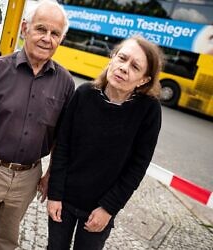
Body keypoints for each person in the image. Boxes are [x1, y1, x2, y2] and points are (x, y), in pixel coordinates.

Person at [0, 1, 75, 249]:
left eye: (55, 34)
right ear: (24, 29)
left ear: (61, 40)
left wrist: (50, 174)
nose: (47, 38)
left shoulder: (65, 83)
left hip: (28, 177)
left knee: (7, 243)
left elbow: (62, 136)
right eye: (41, 29)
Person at [47, 35, 164, 250]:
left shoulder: (148, 111)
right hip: (64, 199)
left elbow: (137, 167)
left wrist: (108, 209)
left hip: (100, 208)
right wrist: (54, 195)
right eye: (122, 58)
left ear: (144, 80)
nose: (123, 68)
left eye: (135, 66)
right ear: (112, 58)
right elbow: (63, 146)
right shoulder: (83, 94)